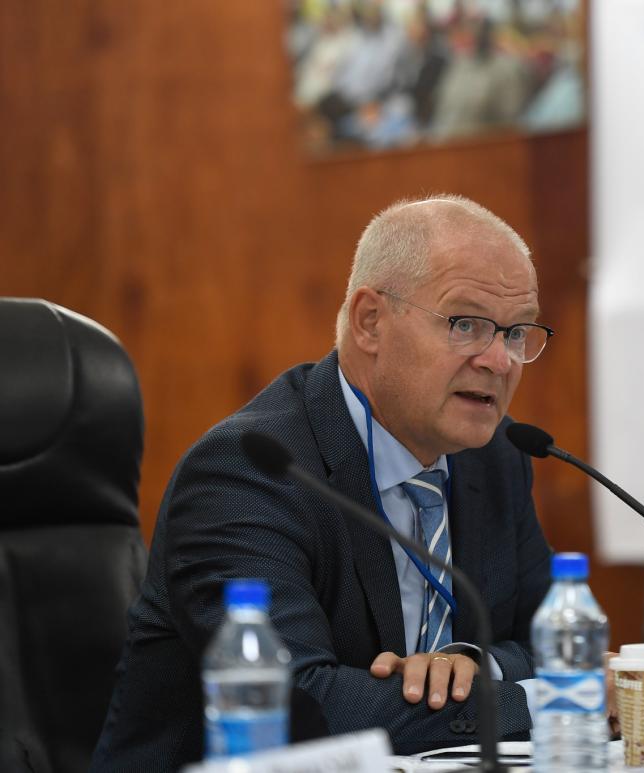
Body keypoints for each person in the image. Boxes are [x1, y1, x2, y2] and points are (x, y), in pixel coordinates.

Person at [92, 195, 555, 769]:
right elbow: (302, 706)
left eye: (516, 333)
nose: (500, 361)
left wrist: (470, 663)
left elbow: (556, 640)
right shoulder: (248, 470)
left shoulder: (495, 458)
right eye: (465, 324)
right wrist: (535, 700)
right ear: (370, 322)